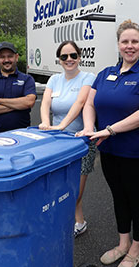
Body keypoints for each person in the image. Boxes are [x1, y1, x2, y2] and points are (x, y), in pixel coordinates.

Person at [78, 20, 139, 267]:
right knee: (118, 197)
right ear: (118, 45)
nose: (130, 46)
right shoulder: (105, 74)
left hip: (137, 153)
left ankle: (136, 249)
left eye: (134, 41)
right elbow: (90, 104)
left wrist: (109, 130)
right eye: (125, 42)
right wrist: (88, 127)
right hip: (110, 152)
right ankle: (123, 244)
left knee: (137, 199)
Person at [38, 40, 96, 238]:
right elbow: (45, 104)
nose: (69, 59)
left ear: (79, 57)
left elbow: (80, 103)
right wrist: (46, 123)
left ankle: (75, 221)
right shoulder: (54, 80)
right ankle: (78, 221)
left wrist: (61, 126)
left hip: (79, 142)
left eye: (73, 55)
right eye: (64, 56)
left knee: (74, 191)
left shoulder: (89, 77)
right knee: (57, 187)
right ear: (59, 60)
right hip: (56, 142)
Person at [0, 41, 36, 134]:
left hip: (23, 135)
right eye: (2, 57)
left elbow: (29, 102)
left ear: (16, 57)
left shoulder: (27, 79)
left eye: (10, 56)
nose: (6, 60)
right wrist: (18, 106)